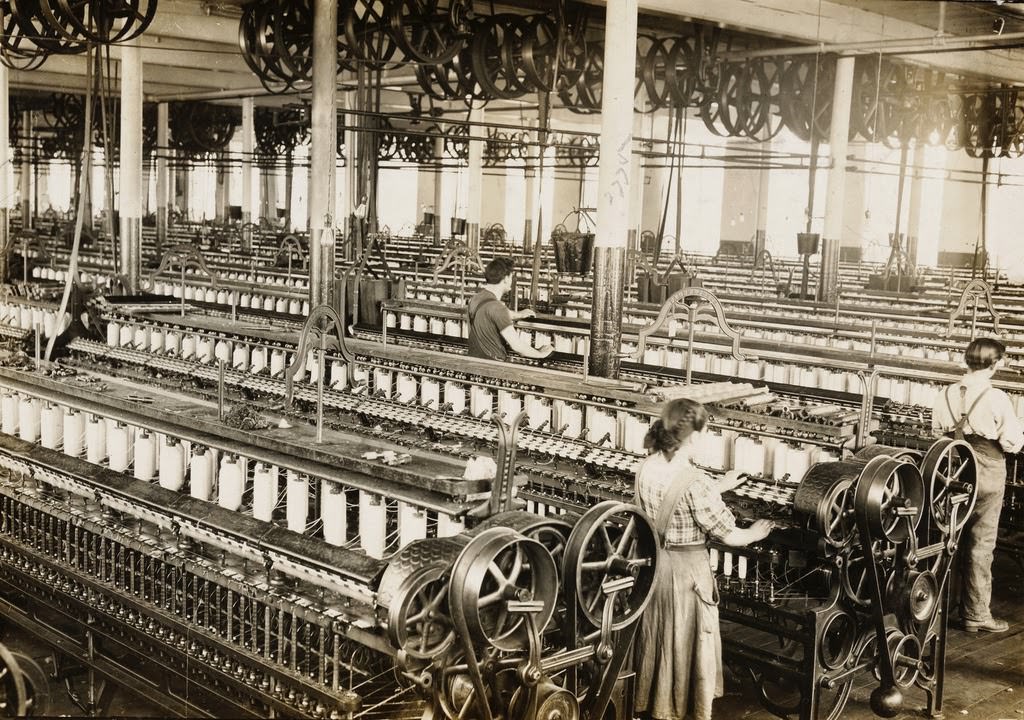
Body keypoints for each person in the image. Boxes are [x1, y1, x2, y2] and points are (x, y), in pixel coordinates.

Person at [634, 398, 773, 720]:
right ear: (694, 435)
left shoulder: (647, 466)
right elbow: (730, 536)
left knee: (659, 637)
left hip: (655, 568)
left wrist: (717, 486)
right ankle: (686, 710)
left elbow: (671, 502)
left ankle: (654, 704)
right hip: (688, 577)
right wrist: (755, 532)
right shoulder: (695, 482)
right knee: (689, 640)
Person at [931, 337, 1024, 633]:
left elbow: (936, 432)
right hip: (987, 472)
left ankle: (933, 606)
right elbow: (1012, 443)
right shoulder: (997, 398)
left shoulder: (945, 393)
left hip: (951, 471)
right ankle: (975, 614)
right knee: (980, 544)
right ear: (996, 364)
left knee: (947, 537)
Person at [467, 257, 553, 362]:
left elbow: (490, 313)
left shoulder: (476, 298)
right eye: (511, 277)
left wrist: (517, 315)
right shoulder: (498, 308)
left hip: (473, 360)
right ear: (506, 279)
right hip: (493, 365)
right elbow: (517, 346)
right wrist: (541, 353)